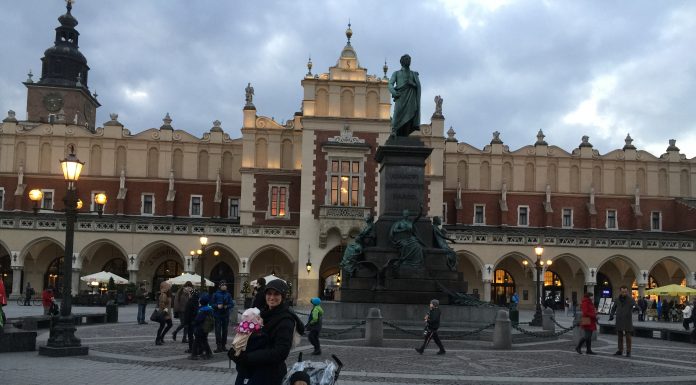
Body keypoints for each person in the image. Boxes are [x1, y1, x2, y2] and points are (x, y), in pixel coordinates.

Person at [230, 279, 305, 385]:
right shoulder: (262, 314)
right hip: (252, 368)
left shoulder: (286, 320)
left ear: (282, 296)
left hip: (269, 373)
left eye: (276, 294)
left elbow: (280, 352)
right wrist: (235, 350)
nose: (272, 297)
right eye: (269, 293)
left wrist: (248, 357)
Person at [387, 53, 421, 137]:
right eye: (406, 59)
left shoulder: (413, 74)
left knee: (410, 114)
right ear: (401, 62)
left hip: (411, 97)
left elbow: (418, 86)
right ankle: (394, 130)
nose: (408, 61)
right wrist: (394, 93)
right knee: (397, 113)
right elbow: (390, 84)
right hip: (400, 96)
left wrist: (412, 83)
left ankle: (406, 134)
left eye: (409, 60)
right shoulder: (397, 73)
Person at [609, 285, 636, 357]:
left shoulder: (630, 299)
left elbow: (635, 305)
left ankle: (628, 351)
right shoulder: (617, 299)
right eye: (623, 291)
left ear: (627, 291)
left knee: (628, 336)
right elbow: (613, 308)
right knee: (619, 336)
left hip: (627, 319)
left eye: (625, 292)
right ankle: (620, 350)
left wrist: (638, 309)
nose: (624, 293)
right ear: (620, 291)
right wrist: (611, 315)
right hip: (619, 319)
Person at [212, 280, 235, 352]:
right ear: (219, 286)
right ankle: (218, 346)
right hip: (217, 314)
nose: (224, 286)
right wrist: (217, 306)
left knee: (225, 330)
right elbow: (211, 304)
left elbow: (232, 304)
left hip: (225, 314)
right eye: (223, 285)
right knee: (218, 330)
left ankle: (223, 345)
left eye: (225, 285)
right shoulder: (215, 294)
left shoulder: (228, 294)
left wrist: (227, 306)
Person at [191, 293, 213, 360]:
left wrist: (193, 323)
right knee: (204, 340)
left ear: (201, 302)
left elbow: (198, 319)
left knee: (196, 341)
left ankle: (194, 354)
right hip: (206, 328)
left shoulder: (202, 310)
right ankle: (209, 353)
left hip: (200, 328)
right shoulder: (209, 309)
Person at [155, 281, 173, 345]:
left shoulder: (165, 293)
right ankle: (158, 339)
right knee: (162, 326)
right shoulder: (163, 294)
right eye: (167, 286)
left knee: (168, 324)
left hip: (165, 312)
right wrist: (166, 311)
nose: (168, 287)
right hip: (164, 313)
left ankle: (160, 337)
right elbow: (162, 304)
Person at [182, 289, 199, 354]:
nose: (188, 295)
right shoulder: (197, 301)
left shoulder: (190, 302)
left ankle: (191, 348)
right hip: (196, 321)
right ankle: (197, 348)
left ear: (191, 294)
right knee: (196, 335)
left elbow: (187, 313)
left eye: (189, 294)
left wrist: (186, 322)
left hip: (190, 321)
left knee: (190, 335)